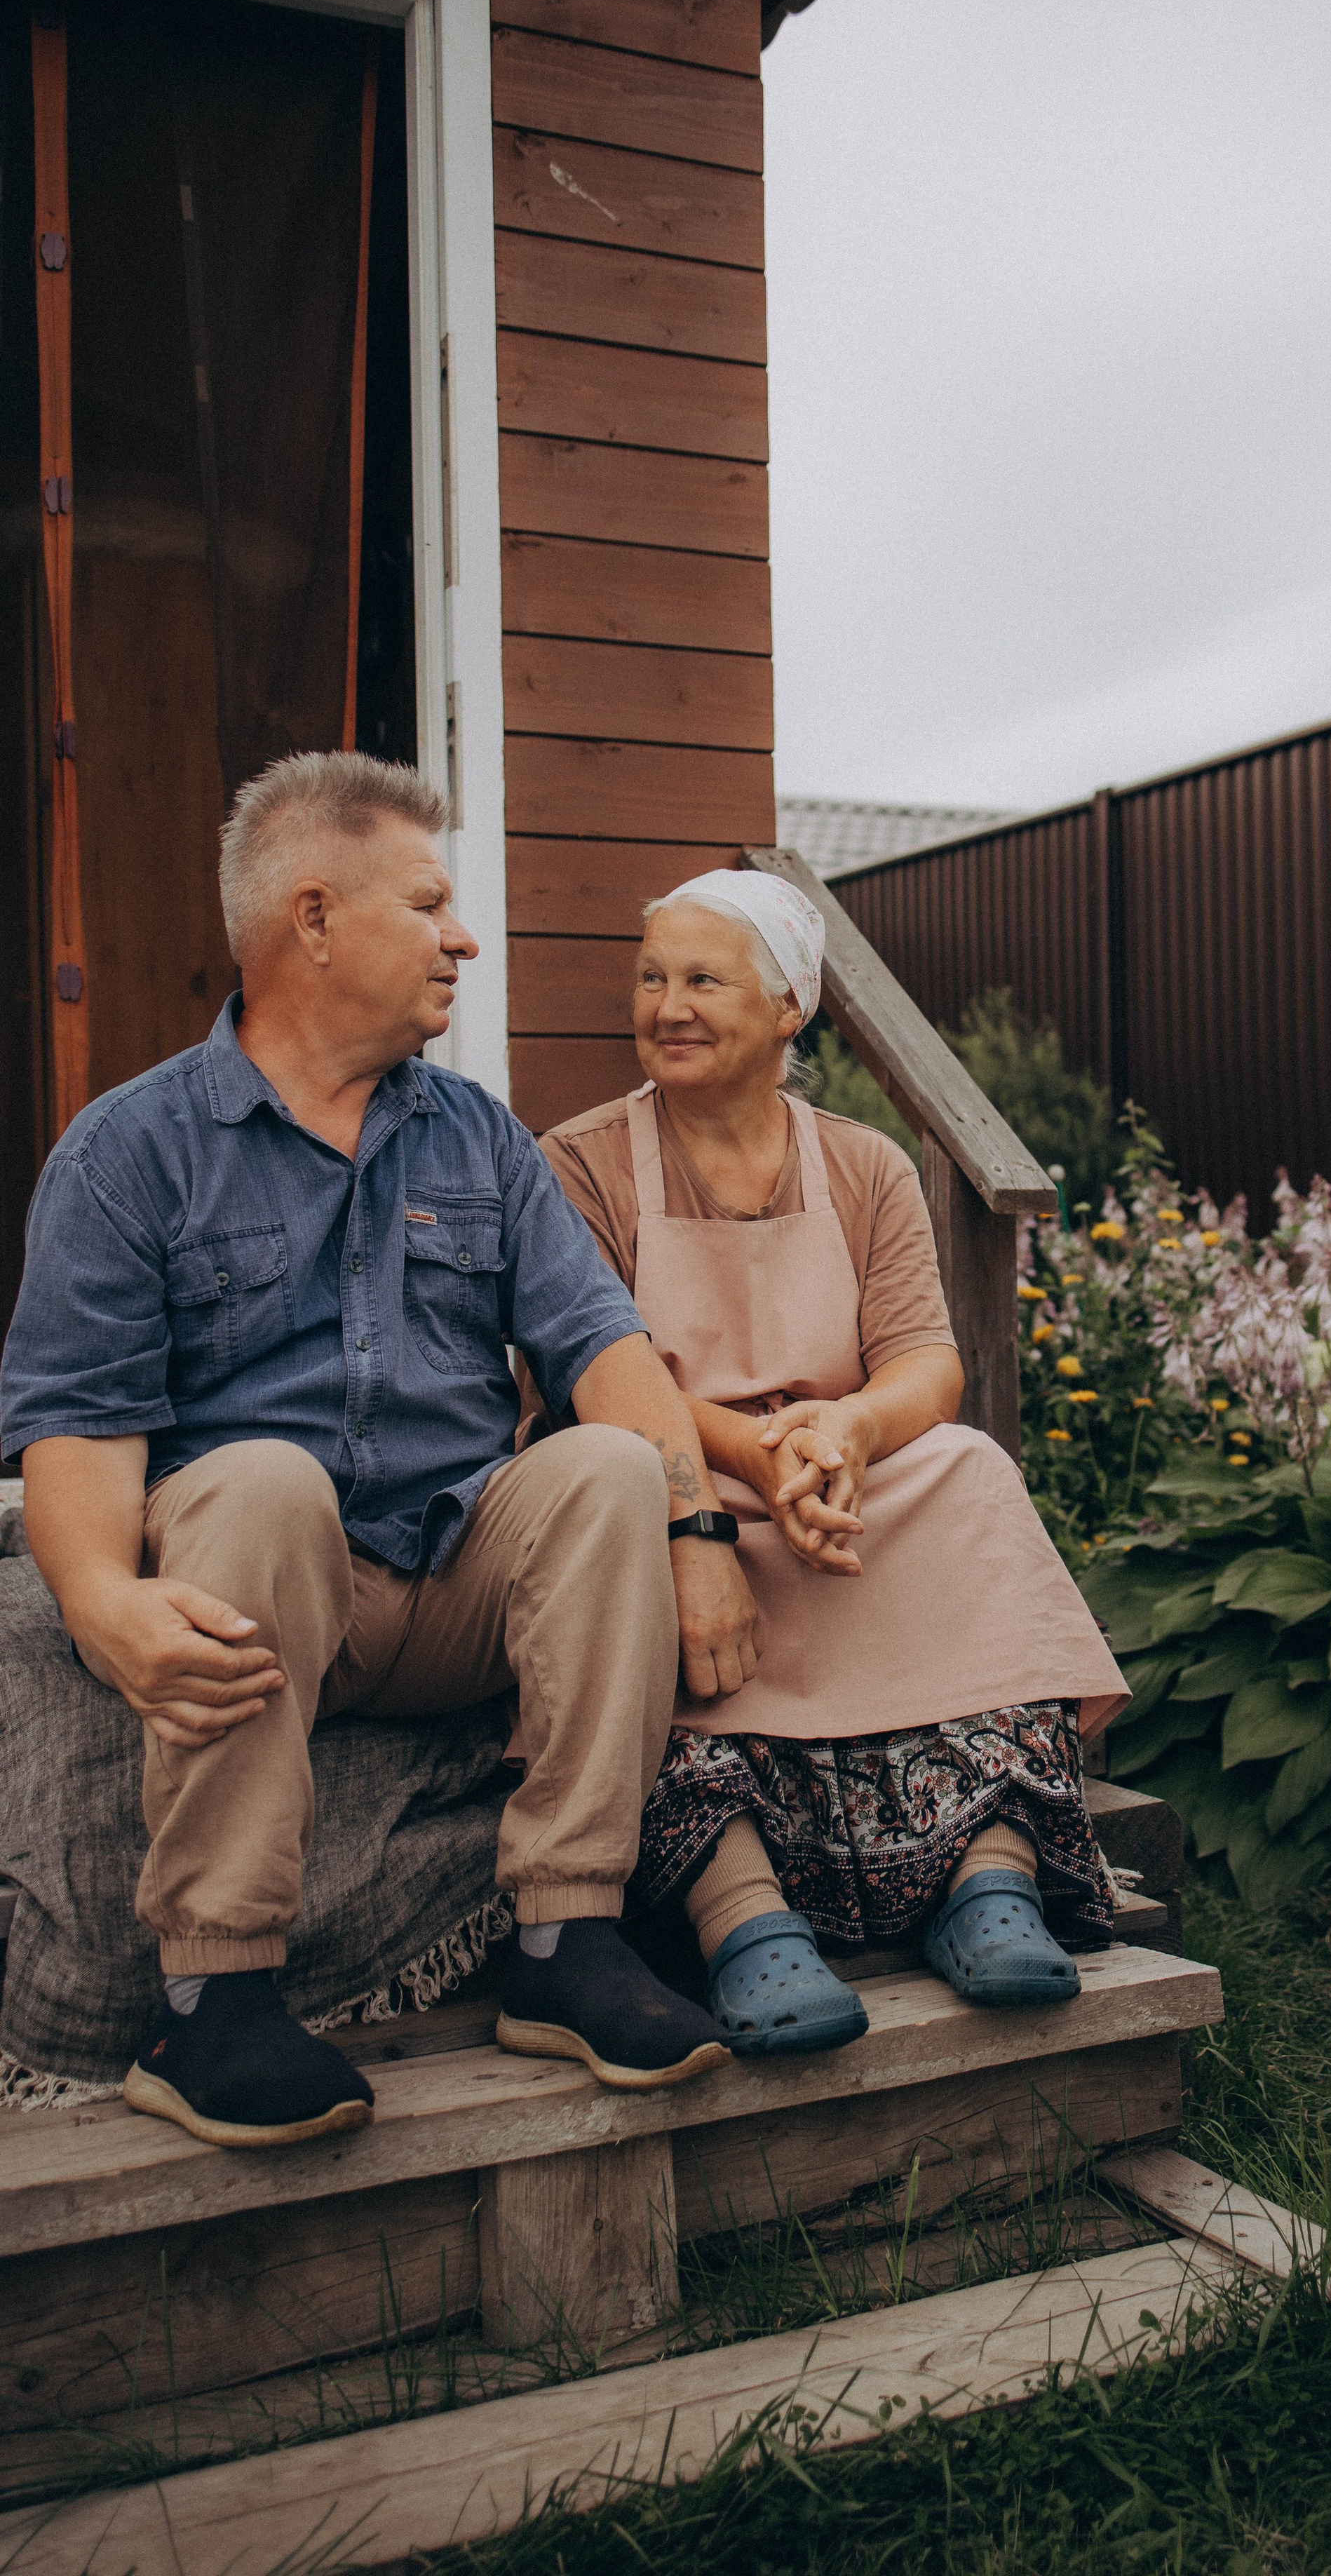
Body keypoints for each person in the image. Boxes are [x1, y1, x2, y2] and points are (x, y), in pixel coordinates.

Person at [0, 753, 763, 2150]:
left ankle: (566, 1942)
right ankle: (215, 1998)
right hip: (272, 1599)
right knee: (260, 1478)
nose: (463, 936)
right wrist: (106, 1607)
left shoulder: (476, 1138)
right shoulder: (129, 1154)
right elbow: (75, 1434)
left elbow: (607, 1355)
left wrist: (697, 1530)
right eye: (429, 902)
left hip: (458, 1575)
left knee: (605, 1467)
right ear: (311, 921)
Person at [536, 870, 1128, 2060]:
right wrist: (753, 1450)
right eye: (652, 978)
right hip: (680, 1487)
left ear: (788, 1006)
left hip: (832, 1487)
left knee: (966, 1471)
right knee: (608, 1495)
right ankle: (744, 1924)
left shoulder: (867, 1167)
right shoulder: (581, 1164)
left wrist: (845, 1435)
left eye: (704, 979)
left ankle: (993, 1887)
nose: (669, 1007)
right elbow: (592, 1374)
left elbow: (924, 1364)